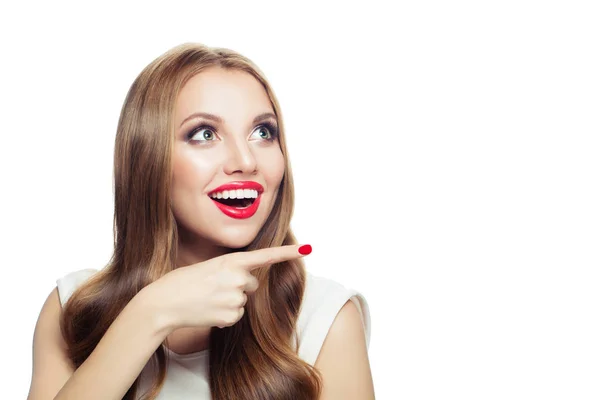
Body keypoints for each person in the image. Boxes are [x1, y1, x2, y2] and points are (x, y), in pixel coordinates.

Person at [27, 42, 374, 400]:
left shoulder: (325, 318)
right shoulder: (73, 307)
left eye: (263, 133)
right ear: (147, 158)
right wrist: (150, 314)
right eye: (205, 134)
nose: (246, 160)